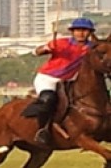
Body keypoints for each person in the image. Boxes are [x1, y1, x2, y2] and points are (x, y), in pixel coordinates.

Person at [22, 17, 95, 145]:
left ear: (90, 33)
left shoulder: (92, 48)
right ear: (72, 32)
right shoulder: (61, 43)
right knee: (48, 99)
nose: (81, 33)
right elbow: (36, 52)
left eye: (85, 30)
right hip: (48, 78)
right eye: (78, 30)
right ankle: (42, 130)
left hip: (70, 81)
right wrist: (45, 49)